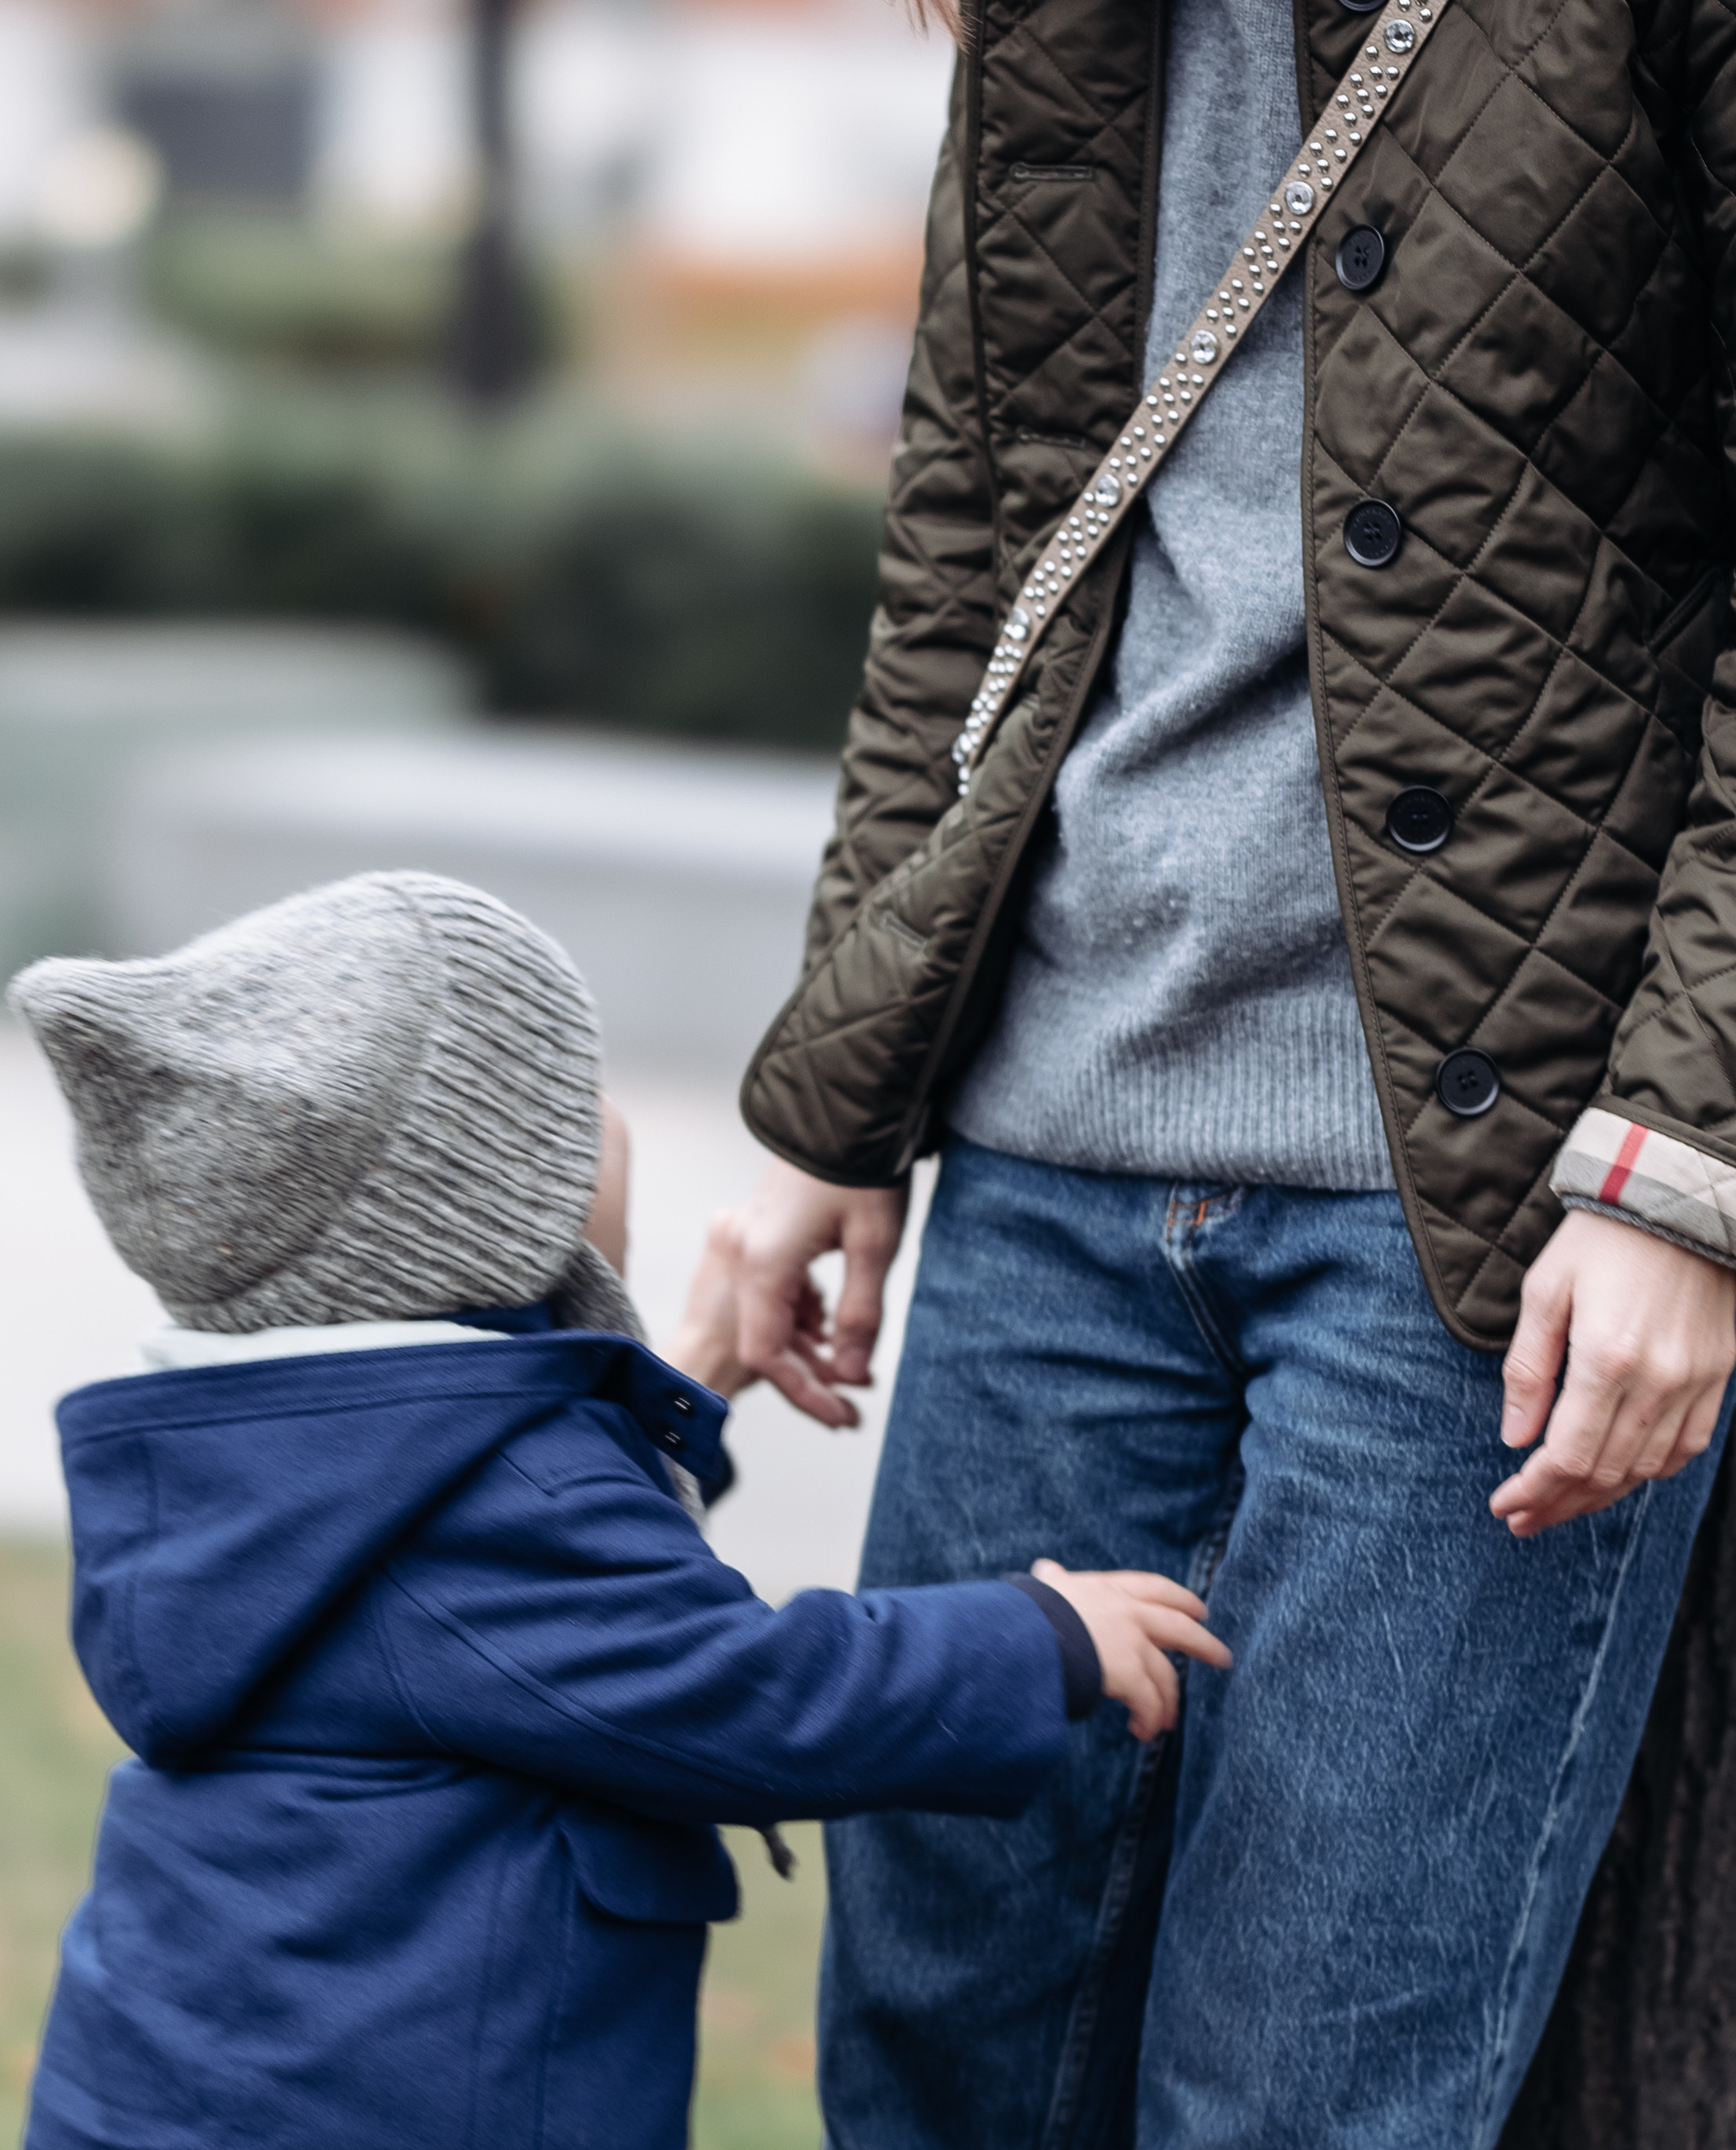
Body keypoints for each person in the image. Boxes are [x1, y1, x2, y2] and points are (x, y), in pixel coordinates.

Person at [705, 0, 1736, 2140]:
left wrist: (1690, 1178)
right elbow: (995, 513)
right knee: (937, 2072)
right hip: (1044, 1196)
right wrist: (845, 1089)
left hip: (1465, 1235)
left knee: (1300, 2104)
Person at [12, 871, 1226, 2150]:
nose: (606, 1116)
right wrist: (1035, 1638)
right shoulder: (485, 1511)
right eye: (567, 1102)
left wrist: (692, 1357)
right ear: (483, 1203)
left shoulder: (289, 1459)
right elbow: (745, 1696)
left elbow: (538, 1638)